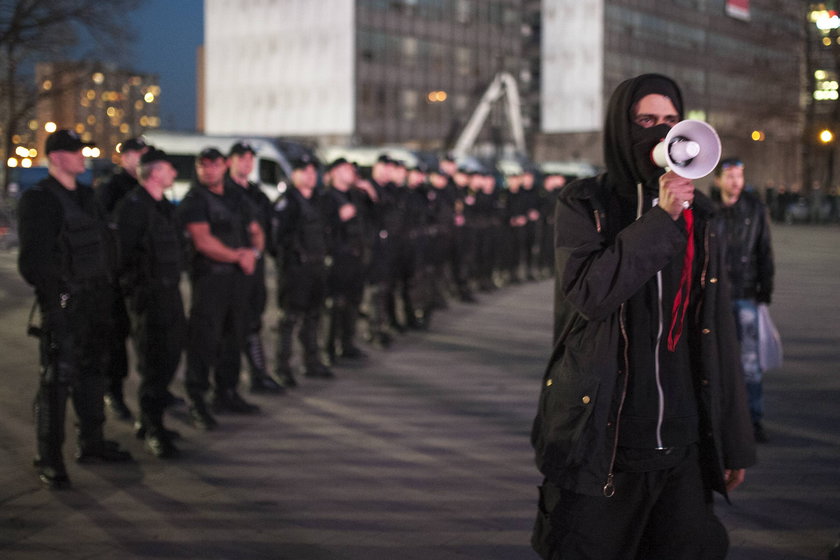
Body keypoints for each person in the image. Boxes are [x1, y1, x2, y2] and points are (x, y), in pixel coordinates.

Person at [530, 74, 756, 560]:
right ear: (620, 127)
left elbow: (718, 337)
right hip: (604, 442)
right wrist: (660, 218)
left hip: (682, 443)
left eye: (671, 120)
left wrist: (733, 442)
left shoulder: (704, 218)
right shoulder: (584, 204)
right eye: (646, 121)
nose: (661, 131)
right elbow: (591, 293)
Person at [18, 129, 133, 489]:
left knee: (94, 371)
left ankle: (92, 443)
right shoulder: (39, 200)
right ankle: (49, 457)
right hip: (65, 304)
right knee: (57, 380)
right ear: (55, 157)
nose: (84, 156)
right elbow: (35, 261)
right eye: (75, 151)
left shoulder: (87, 196)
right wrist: (55, 305)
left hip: (97, 302)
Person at [177, 147, 263, 430]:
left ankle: (226, 392)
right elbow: (202, 241)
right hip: (210, 280)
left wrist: (253, 252)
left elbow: (255, 229)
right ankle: (197, 400)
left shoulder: (236, 196)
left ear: (224, 166)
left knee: (234, 337)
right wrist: (239, 256)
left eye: (214, 165)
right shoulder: (195, 200)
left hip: (238, 281)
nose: (208, 170)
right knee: (203, 341)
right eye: (203, 165)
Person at [711, 157, 775, 443]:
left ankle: (753, 419)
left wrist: (765, 290)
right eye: (730, 176)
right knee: (718, 362)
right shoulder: (709, 211)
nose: (736, 181)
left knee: (750, 364)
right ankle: (720, 420)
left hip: (746, 294)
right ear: (718, 180)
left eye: (740, 175)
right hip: (717, 297)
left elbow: (764, 250)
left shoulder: (755, 209)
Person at [97, 137, 149, 421]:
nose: (143, 160)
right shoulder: (112, 189)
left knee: (146, 338)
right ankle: (113, 392)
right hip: (117, 279)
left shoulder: (146, 188)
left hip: (141, 278)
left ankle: (153, 393)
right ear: (125, 157)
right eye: (139, 154)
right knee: (116, 339)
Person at [226, 141, 284, 394]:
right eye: (242, 158)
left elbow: (269, 229)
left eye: (250, 159)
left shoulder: (257, 195)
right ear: (231, 161)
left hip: (256, 268)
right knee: (231, 327)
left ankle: (257, 375)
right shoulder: (223, 193)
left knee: (253, 321)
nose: (247, 163)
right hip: (231, 270)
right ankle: (226, 386)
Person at [272, 155, 334, 387]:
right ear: (294, 174)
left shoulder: (319, 200)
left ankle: (312, 361)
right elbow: (276, 240)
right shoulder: (287, 202)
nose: (310, 175)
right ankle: (283, 367)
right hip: (296, 270)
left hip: (317, 267)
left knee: (313, 316)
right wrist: (289, 262)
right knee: (289, 319)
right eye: (304, 171)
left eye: (312, 171)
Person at [321, 157, 369, 361]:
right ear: (335, 172)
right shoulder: (327, 197)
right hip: (338, 257)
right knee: (336, 304)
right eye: (347, 169)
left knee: (353, 302)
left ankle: (347, 343)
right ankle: (329, 347)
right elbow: (321, 228)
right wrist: (338, 218)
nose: (351, 172)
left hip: (355, 256)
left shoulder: (355, 195)